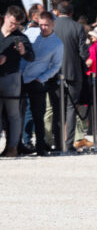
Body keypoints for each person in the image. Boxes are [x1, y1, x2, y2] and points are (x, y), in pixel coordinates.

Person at [19, 11, 62, 156]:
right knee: (17, 114)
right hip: (20, 78)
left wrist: (42, 78)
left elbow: (56, 66)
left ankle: (40, 147)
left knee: (38, 115)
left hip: (36, 80)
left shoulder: (57, 43)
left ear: (53, 24)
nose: (43, 28)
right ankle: (18, 145)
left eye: (46, 25)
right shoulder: (31, 33)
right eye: (41, 24)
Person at [53, 1, 89, 151]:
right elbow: (84, 53)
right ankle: (68, 144)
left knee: (57, 109)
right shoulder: (78, 27)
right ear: (71, 13)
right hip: (73, 72)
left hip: (54, 73)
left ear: (57, 12)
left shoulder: (52, 26)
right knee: (71, 108)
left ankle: (57, 142)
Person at [0, 6, 35, 157]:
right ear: (6, 17)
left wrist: (23, 52)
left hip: (11, 77)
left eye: (17, 24)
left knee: (13, 114)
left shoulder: (20, 37)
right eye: (12, 22)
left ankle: (13, 147)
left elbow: (31, 57)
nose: (13, 26)